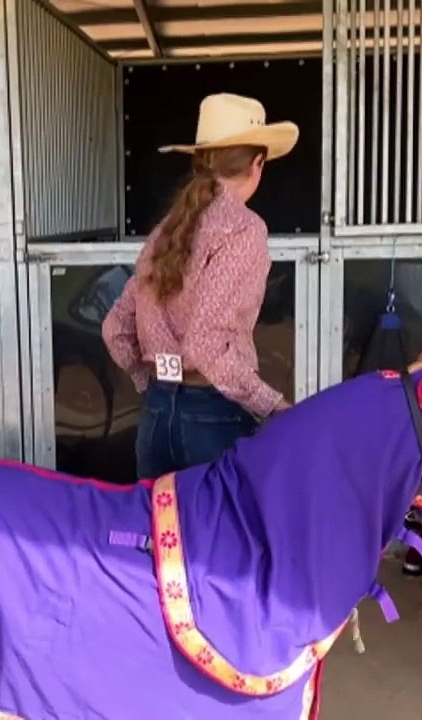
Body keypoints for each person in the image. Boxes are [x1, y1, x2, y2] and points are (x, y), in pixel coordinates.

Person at [102, 92, 297, 479]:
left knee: (160, 536)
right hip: (213, 417)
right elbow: (205, 344)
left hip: (157, 416)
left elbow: (115, 329)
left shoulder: (166, 230)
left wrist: (151, 384)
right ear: (258, 163)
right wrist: (271, 405)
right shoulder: (244, 229)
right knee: (223, 538)